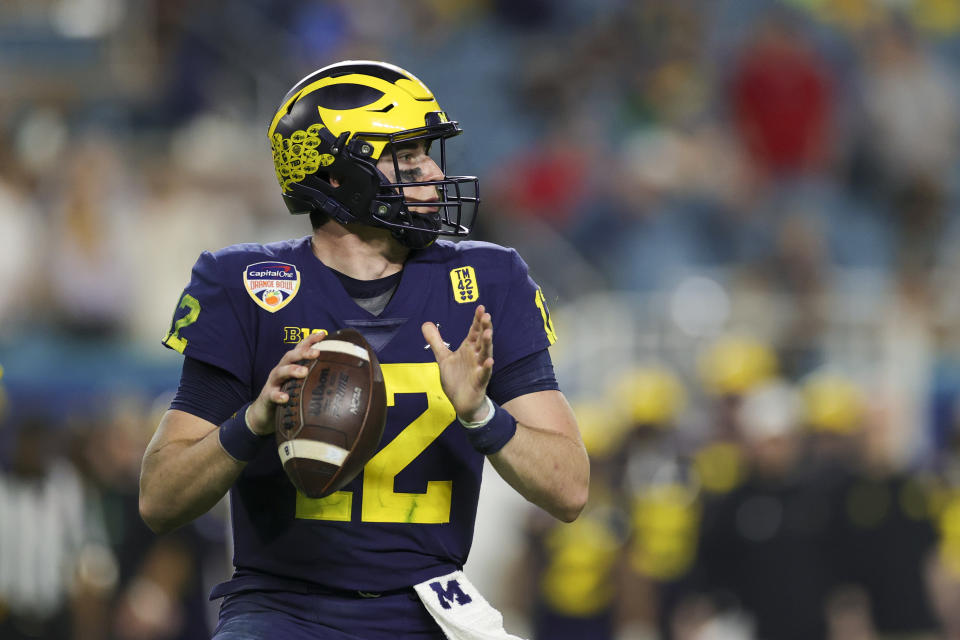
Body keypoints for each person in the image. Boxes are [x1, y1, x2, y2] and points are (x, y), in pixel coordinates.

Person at [138, 59, 589, 640]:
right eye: (406, 157)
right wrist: (252, 422)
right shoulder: (246, 285)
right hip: (282, 611)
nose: (430, 172)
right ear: (334, 175)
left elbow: (571, 489)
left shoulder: (488, 280)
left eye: (427, 153)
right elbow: (159, 497)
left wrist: (481, 414)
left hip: (432, 607)